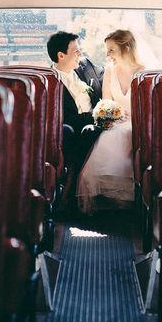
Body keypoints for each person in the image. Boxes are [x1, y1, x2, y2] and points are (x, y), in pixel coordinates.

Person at [77, 29, 144, 214]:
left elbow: (147, 107)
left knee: (123, 134)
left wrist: (133, 118)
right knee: (110, 135)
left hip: (139, 122)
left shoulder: (143, 73)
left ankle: (127, 198)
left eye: (112, 50)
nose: (107, 55)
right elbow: (106, 101)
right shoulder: (109, 70)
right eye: (107, 50)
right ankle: (111, 199)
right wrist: (112, 115)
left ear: (127, 48)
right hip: (117, 121)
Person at [47, 31, 103, 210]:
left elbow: (104, 77)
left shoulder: (85, 67)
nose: (81, 55)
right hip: (68, 127)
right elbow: (61, 116)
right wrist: (94, 116)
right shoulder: (48, 81)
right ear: (61, 55)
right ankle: (72, 185)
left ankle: (71, 185)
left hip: (92, 124)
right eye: (76, 51)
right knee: (72, 132)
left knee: (91, 131)